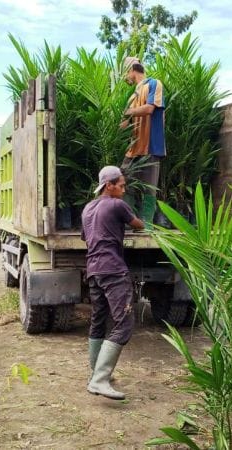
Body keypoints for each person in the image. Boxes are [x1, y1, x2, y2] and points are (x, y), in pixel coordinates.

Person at [81, 165, 145, 400]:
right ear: (109, 185)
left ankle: (95, 373)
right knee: (124, 323)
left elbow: (86, 237)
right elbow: (138, 224)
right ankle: (99, 380)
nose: (124, 190)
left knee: (99, 318)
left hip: (94, 270)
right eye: (122, 185)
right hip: (113, 269)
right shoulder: (117, 205)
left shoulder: (88, 208)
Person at [119, 56, 166, 228]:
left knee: (149, 187)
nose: (125, 78)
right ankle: (128, 221)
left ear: (132, 70)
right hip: (133, 146)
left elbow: (149, 109)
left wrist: (127, 112)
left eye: (125, 73)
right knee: (125, 182)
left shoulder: (154, 84)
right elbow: (124, 123)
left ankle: (146, 224)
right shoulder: (131, 96)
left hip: (151, 144)